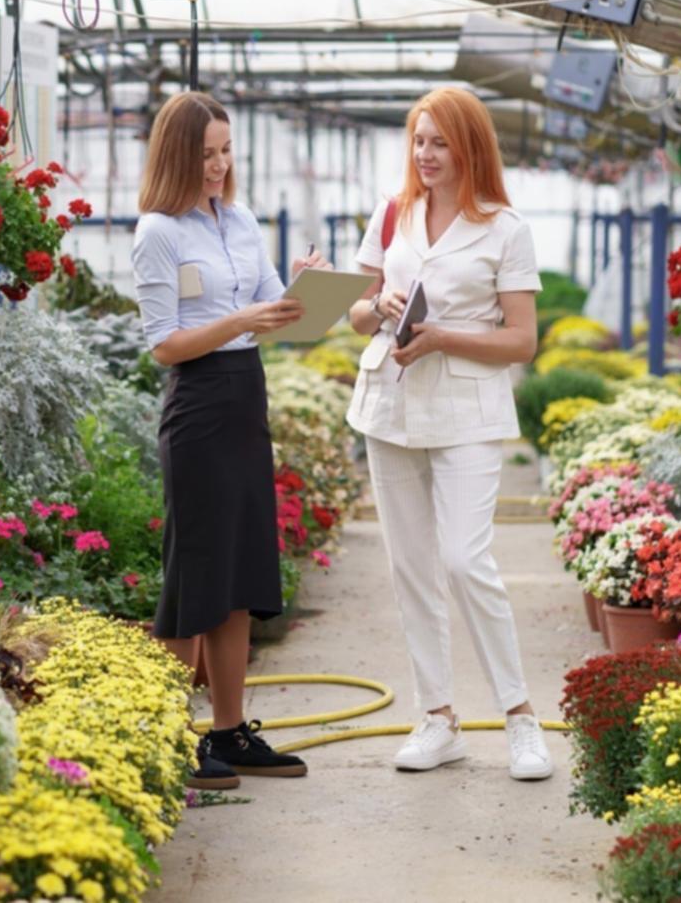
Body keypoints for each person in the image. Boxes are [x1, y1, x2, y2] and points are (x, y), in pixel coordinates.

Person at [345, 87, 553, 781]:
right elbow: (355, 312)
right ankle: (437, 719)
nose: (425, 155)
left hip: (466, 410)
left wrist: (441, 339)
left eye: (438, 142)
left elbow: (521, 341)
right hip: (390, 404)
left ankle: (521, 719)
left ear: (469, 147)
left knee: (466, 561)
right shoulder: (392, 213)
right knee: (411, 568)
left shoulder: (505, 228)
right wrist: (380, 304)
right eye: (417, 140)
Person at [132, 91, 326, 789]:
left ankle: (228, 731)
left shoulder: (239, 218)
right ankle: (169, 739)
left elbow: (277, 305)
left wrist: (308, 286)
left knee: (241, 572)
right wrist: (242, 317)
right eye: (205, 154)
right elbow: (165, 344)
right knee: (195, 576)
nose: (218, 166)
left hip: (247, 397)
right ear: (178, 155)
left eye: (225, 151)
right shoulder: (158, 230)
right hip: (199, 402)